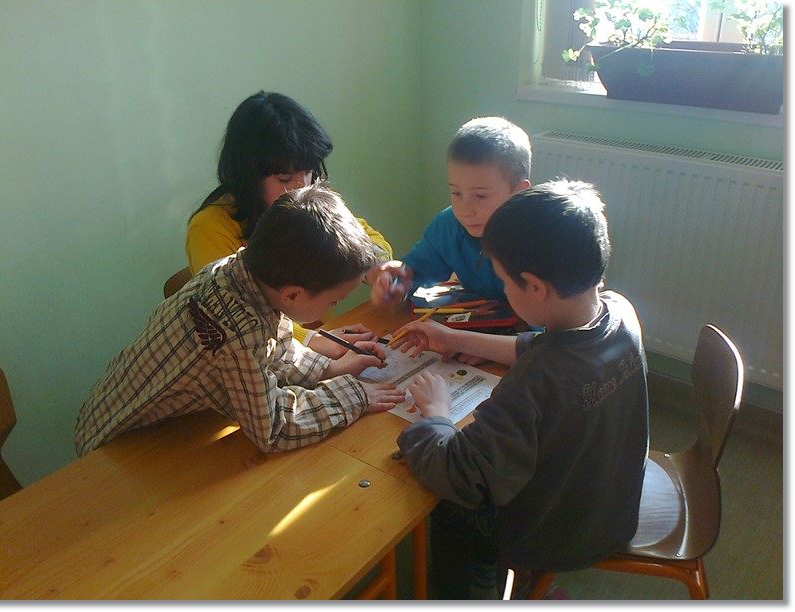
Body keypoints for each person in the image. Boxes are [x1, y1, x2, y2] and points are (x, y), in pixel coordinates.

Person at [391, 179, 649, 599]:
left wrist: (436, 413)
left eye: (505, 283)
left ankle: (473, 592)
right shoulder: (619, 312)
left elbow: (457, 470)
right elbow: (541, 345)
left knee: (446, 505)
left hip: (551, 535)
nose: (505, 292)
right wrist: (455, 338)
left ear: (535, 287)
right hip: (611, 506)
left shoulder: (536, 380)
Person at [76, 183, 406, 456]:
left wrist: (328, 368)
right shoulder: (237, 331)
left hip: (137, 419)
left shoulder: (238, 271)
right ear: (292, 294)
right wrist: (354, 395)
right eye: (334, 301)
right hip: (115, 446)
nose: (334, 307)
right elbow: (273, 428)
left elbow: (275, 348)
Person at [186, 91, 392, 358]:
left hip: (322, 339)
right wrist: (313, 340)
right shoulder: (210, 228)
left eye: (309, 173)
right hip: (262, 354)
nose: (301, 187)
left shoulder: (307, 201)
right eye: (284, 178)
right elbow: (236, 320)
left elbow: (360, 235)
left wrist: (375, 266)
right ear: (248, 176)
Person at [370, 116, 531, 306]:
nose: (465, 210)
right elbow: (417, 269)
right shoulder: (449, 226)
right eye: (456, 193)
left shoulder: (542, 235)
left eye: (480, 196)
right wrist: (399, 282)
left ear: (518, 192)